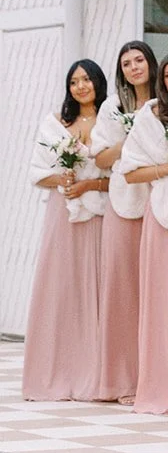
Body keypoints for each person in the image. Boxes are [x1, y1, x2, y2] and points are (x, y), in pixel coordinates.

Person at [23, 59, 109, 402]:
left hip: (99, 212)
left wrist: (90, 184)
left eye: (87, 79)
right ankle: (55, 371)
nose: (81, 86)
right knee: (60, 286)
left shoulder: (110, 121)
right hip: (63, 213)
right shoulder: (56, 124)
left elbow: (119, 175)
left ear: (98, 82)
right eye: (74, 81)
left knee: (97, 285)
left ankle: (96, 372)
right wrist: (63, 178)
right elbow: (37, 171)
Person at [121, 51, 168, 414]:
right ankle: (162, 381)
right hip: (162, 212)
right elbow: (130, 173)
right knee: (162, 295)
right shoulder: (149, 118)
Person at [91, 41, 158, 402]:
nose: (134, 67)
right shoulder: (113, 107)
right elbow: (101, 157)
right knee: (122, 288)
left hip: (161, 200)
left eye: (139, 60)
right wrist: (131, 137)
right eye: (127, 63)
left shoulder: (166, 102)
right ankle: (121, 378)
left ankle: (156, 376)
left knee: (157, 288)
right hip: (122, 200)